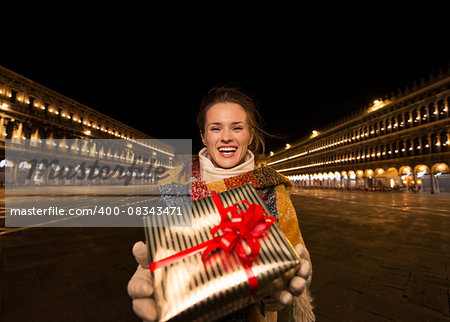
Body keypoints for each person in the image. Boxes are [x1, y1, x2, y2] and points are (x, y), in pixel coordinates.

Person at [127, 85, 314, 321]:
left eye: (237, 127)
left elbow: (297, 257)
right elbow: (164, 249)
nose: (226, 136)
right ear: (204, 136)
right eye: (216, 128)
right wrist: (152, 274)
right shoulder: (176, 183)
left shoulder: (271, 189)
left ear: (250, 135)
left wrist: (281, 282)